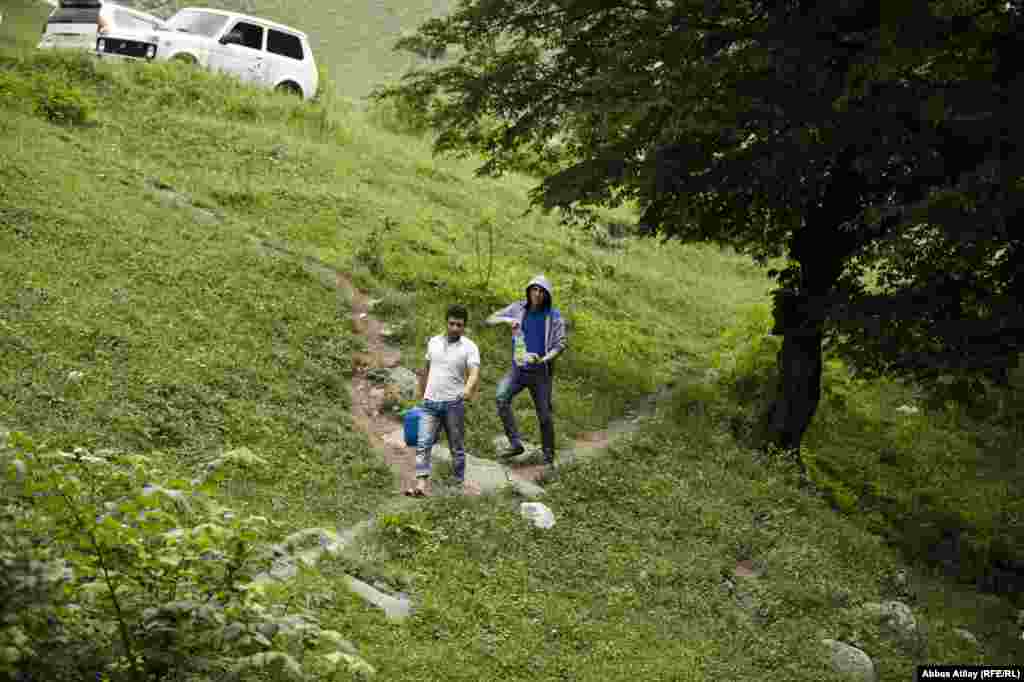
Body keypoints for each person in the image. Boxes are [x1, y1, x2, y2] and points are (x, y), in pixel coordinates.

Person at [486, 274, 568, 468]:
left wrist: (544, 358)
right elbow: (490, 319)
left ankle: (548, 457)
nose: (537, 294)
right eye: (534, 290)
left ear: (547, 295)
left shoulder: (554, 316)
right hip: (518, 369)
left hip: (541, 372)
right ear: (529, 291)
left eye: (541, 291)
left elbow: (560, 345)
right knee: (501, 397)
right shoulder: (517, 308)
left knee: (545, 415)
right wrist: (507, 321)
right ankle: (515, 444)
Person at [406, 304, 480, 497]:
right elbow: (427, 368)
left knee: (456, 446)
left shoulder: (470, 347)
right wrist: (420, 393)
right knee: (423, 443)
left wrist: (467, 390)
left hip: (453, 403)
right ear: (446, 323)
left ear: (465, 327)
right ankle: (421, 484)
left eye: (459, 325)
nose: (455, 328)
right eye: (452, 323)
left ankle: (457, 485)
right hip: (430, 402)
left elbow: (473, 373)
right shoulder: (433, 342)